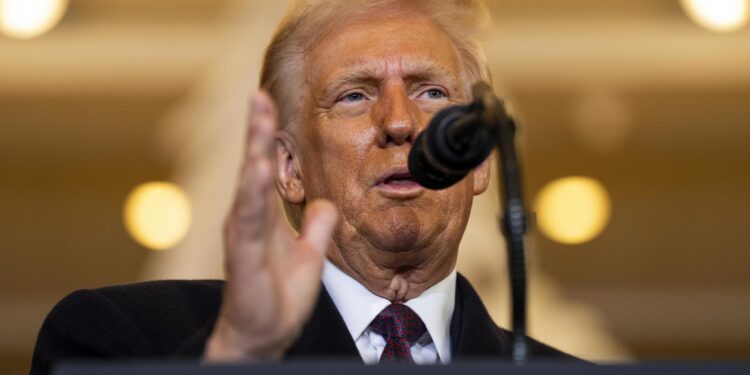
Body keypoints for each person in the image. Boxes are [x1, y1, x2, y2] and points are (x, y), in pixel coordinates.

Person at [31, 1, 576, 373]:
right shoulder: (121, 339)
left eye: (431, 92)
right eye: (354, 96)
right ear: (289, 167)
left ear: (478, 158)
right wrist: (240, 355)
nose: (400, 122)